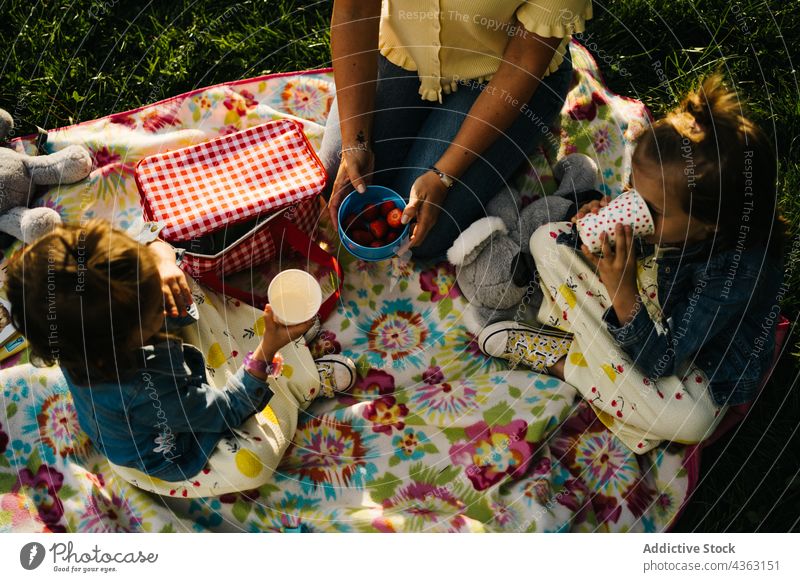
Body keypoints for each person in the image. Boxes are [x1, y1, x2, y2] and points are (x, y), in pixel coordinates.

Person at [478, 74, 785, 453]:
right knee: (548, 241)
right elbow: (616, 246)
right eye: (631, 191)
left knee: (693, 422)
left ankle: (562, 361)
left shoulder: (735, 275)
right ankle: (608, 375)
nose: (634, 208)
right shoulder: (677, 217)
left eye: (650, 210)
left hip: (689, 365)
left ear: (710, 224)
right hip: (646, 303)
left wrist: (622, 293)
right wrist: (592, 227)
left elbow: (664, 361)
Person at [4, 219, 356, 497]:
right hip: (178, 448)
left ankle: (269, 340)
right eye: (151, 307)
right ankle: (297, 380)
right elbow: (224, 412)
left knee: (183, 284)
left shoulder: (74, 324)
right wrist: (266, 350)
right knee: (255, 459)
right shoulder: (144, 389)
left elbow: (147, 237)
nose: (159, 297)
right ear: (127, 339)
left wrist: (162, 261)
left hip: (165, 383)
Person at [320, 0, 593, 261]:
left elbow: (524, 60)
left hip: (505, 72)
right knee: (335, 181)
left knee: (419, 232)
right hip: (407, 45)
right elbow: (354, 9)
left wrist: (443, 175)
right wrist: (355, 141)